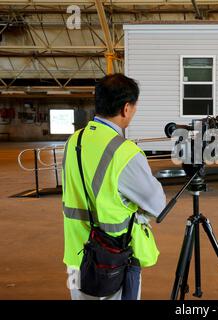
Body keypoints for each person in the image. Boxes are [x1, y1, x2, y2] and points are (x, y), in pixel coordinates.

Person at [62, 74, 166, 300]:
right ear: (126, 108)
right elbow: (158, 205)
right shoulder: (124, 152)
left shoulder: (73, 142)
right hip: (112, 260)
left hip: (74, 256)